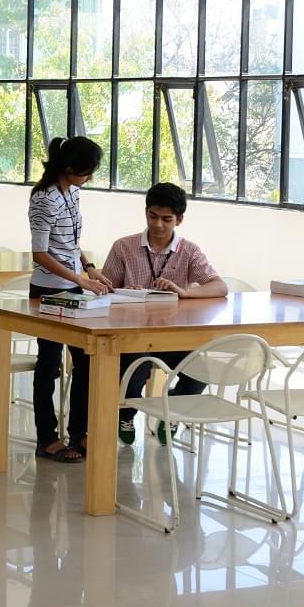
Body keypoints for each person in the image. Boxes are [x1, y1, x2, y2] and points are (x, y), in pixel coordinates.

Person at [101, 182, 227, 445]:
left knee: (200, 371)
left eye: (166, 219)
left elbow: (219, 286)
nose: (158, 225)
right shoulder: (123, 246)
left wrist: (184, 291)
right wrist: (124, 291)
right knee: (135, 369)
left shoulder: (189, 251)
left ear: (179, 220)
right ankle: (126, 412)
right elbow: (103, 289)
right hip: (132, 334)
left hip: (172, 335)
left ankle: (172, 413)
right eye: (153, 216)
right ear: (146, 213)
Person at [28, 137, 112, 463]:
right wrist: (78, 278)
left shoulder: (73, 193)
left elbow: (72, 243)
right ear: (69, 169)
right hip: (49, 290)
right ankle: (46, 438)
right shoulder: (43, 199)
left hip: (76, 285)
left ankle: (80, 433)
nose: (89, 178)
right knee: (48, 365)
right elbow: (40, 253)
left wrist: (90, 269)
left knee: (86, 361)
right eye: (86, 172)